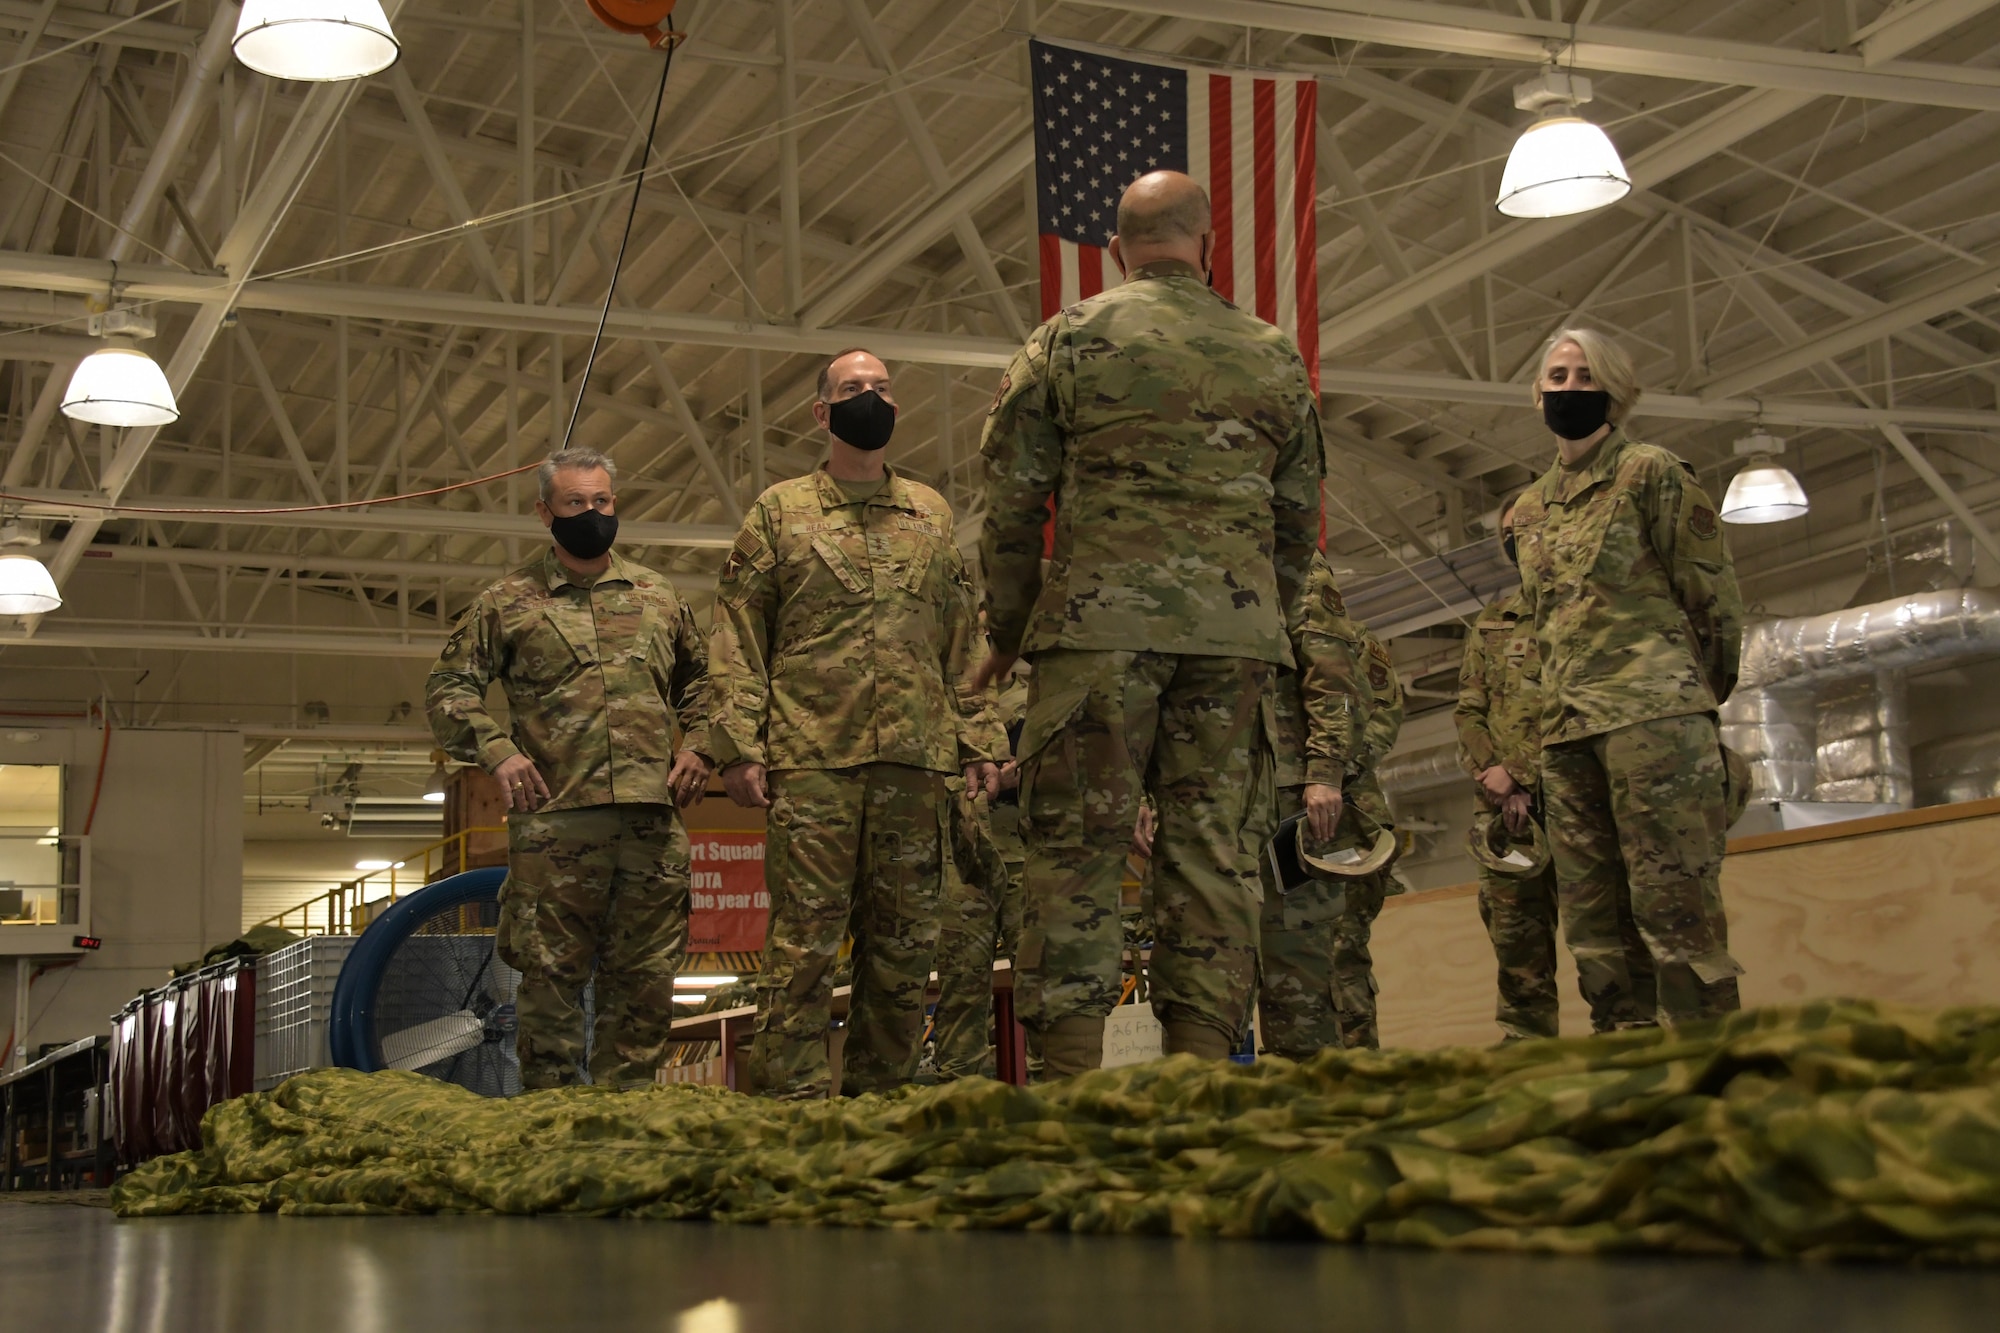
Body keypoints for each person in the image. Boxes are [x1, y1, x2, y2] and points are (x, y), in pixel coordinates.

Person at [976, 169, 1325, 1076]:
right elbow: (1298, 519)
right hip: (1232, 639)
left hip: (1098, 635)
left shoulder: (1067, 340)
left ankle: (1067, 1080)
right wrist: (1263, 618)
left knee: (1077, 853)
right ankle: (1203, 1071)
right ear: (1206, 246)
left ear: (1114, 249)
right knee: (1213, 847)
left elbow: (1012, 506)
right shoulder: (1272, 353)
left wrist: (1007, 629)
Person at [703, 349, 1003, 1099]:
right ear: (821, 412)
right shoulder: (780, 512)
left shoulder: (931, 512)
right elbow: (738, 634)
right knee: (803, 947)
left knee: (904, 951)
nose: (869, 399)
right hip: (812, 762)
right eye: (851, 389)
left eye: (881, 389)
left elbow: (962, 634)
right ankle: (792, 1107)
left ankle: (884, 1103)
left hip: (916, 763)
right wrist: (740, 748)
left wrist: (982, 738)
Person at [425, 446, 712, 1089]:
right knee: (551, 983)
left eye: (602, 501)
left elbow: (705, 685)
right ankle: (554, 1127)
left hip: (650, 824)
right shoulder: (507, 601)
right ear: (544, 513)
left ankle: (627, 1123)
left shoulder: (658, 595)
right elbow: (448, 690)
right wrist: (498, 751)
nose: (592, 513)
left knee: (644, 982)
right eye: (575, 503)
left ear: (617, 504)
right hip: (557, 827)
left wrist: (699, 746)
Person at [1511, 328, 1747, 1030]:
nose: (1569, 388)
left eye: (1586, 376)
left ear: (1615, 390)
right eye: (1556, 375)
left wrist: (1687, 702)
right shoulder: (1526, 511)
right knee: (1594, 924)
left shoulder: (1651, 473)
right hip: (1568, 735)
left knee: (1675, 912)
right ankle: (1630, 1074)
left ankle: (1711, 1073)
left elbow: (1712, 598)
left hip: (1653, 721)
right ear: (1538, 392)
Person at [1249, 555, 1386, 1059]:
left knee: (1298, 960)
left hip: (1287, 802)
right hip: (1214, 800)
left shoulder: (1293, 567)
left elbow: (1334, 684)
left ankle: (1316, 1088)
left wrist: (1325, 772)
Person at [1455, 494, 1562, 1042]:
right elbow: (1469, 709)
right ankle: (1527, 1040)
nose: (1519, 540)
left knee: (1605, 922)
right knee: (1514, 929)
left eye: (1529, 527)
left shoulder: (1580, 611)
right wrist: (1495, 775)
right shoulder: (1492, 623)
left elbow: (1584, 697)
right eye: (1510, 533)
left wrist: (1522, 770)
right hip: (1501, 809)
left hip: (1573, 792)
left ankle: (1626, 1034)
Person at [929, 666, 1029, 1081]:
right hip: (962, 862)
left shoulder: (1036, 691)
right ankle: (958, 1099)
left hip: (1026, 856)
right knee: (962, 990)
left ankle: (1057, 1096)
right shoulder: (941, 695)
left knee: (1041, 986)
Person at [1327, 622, 1403, 1050]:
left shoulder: (1354, 638)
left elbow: (1386, 711)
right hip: (1273, 815)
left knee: (1343, 952)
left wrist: (1333, 766)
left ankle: (1357, 1066)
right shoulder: (1254, 631)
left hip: (1349, 815)